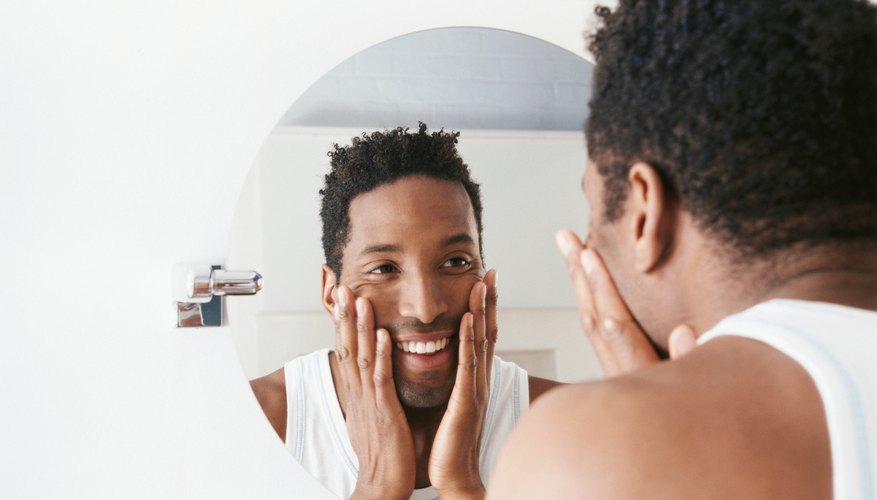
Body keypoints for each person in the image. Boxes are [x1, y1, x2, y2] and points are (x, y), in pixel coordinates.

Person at [489, 1, 877, 499]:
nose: (588, 246)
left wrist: (647, 428)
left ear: (644, 214)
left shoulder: (585, 452)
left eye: (594, 213)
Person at [249, 123, 560, 499]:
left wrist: (462, 483)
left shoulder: (562, 424)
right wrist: (379, 487)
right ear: (332, 295)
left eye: (456, 262)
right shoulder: (258, 423)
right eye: (384, 269)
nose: (426, 308)